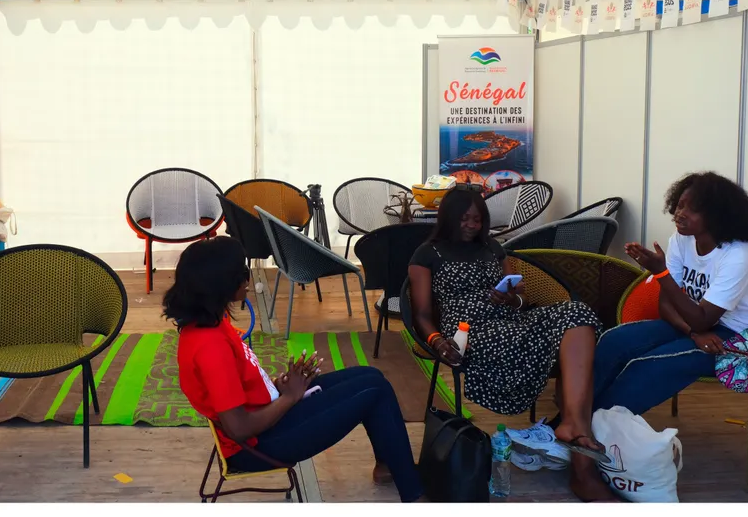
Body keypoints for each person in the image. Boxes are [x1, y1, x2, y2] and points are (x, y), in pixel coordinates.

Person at [164, 236, 424, 503]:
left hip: (265, 420)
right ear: (221, 285)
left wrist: (277, 385)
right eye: (242, 273)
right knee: (375, 390)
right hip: (256, 447)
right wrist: (290, 397)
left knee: (371, 376)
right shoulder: (210, 347)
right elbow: (239, 428)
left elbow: (238, 386)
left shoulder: (211, 323)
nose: (248, 279)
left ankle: (389, 465)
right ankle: (414, 495)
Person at [408, 188, 609, 502]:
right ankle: (576, 448)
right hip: (468, 330)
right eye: (465, 218)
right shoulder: (426, 253)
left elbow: (520, 299)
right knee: (531, 339)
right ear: (449, 218)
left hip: (511, 319)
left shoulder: (492, 247)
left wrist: (511, 298)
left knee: (579, 313)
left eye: (478, 219)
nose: (472, 225)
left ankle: (572, 424)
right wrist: (436, 341)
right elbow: (420, 313)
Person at [593, 171, 748, 415]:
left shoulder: (738, 254)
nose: (680, 214)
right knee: (612, 341)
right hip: (696, 325)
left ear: (717, 216)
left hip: (742, 339)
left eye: (692, 209)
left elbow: (703, 317)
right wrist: (693, 332)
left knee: (648, 366)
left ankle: (590, 431)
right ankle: (573, 420)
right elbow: (665, 305)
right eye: (679, 205)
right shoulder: (681, 239)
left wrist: (661, 273)